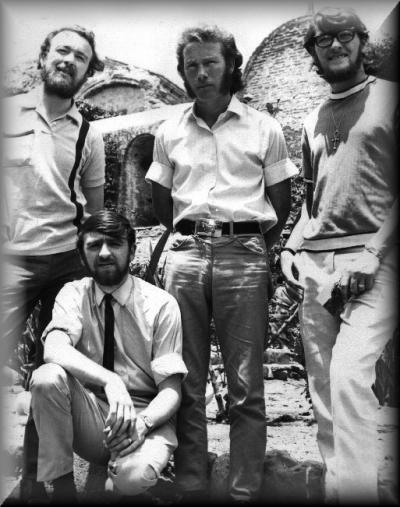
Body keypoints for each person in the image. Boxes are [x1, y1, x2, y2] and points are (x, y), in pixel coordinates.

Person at [146, 25, 298, 503]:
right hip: (186, 255)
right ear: (183, 72)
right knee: (186, 376)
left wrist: (248, 243)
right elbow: (161, 203)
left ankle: (243, 489)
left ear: (231, 65)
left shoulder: (264, 128)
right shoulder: (169, 131)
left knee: (246, 383)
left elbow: (281, 202)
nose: (201, 73)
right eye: (191, 65)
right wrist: (192, 236)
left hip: (244, 255)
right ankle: (192, 482)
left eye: (211, 62)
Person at [280, 7, 398, 504]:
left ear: (361, 41)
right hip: (316, 264)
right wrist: (291, 246)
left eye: (344, 35)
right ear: (312, 52)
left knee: (349, 377)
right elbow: (314, 200)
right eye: (322, 39)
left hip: (376, 258)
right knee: (325, 390)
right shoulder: (312, 118)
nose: (334, 45)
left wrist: (374, 252)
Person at [1, 25, 105, 501]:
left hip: (65, 263)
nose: (69, 60)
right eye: (62, 50)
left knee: (54, 372)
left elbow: (96, 214)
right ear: (44, 56)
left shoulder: (87, 134)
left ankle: (36, 483)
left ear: (88, 71)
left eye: (80, 57)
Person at [29, 209, 187, 503]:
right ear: (82, 255)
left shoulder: (161, 304)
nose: (104, 253)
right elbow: (54, 348)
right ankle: (63, 491)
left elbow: (171, 391)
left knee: (132, 478)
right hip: (94, 416)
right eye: (94, 245)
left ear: (132, 250)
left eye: (114, 243)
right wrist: (110, 381)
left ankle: (125, 480)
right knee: (46, 377)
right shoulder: (73, 294)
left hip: (145, 417)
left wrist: (143, 424)